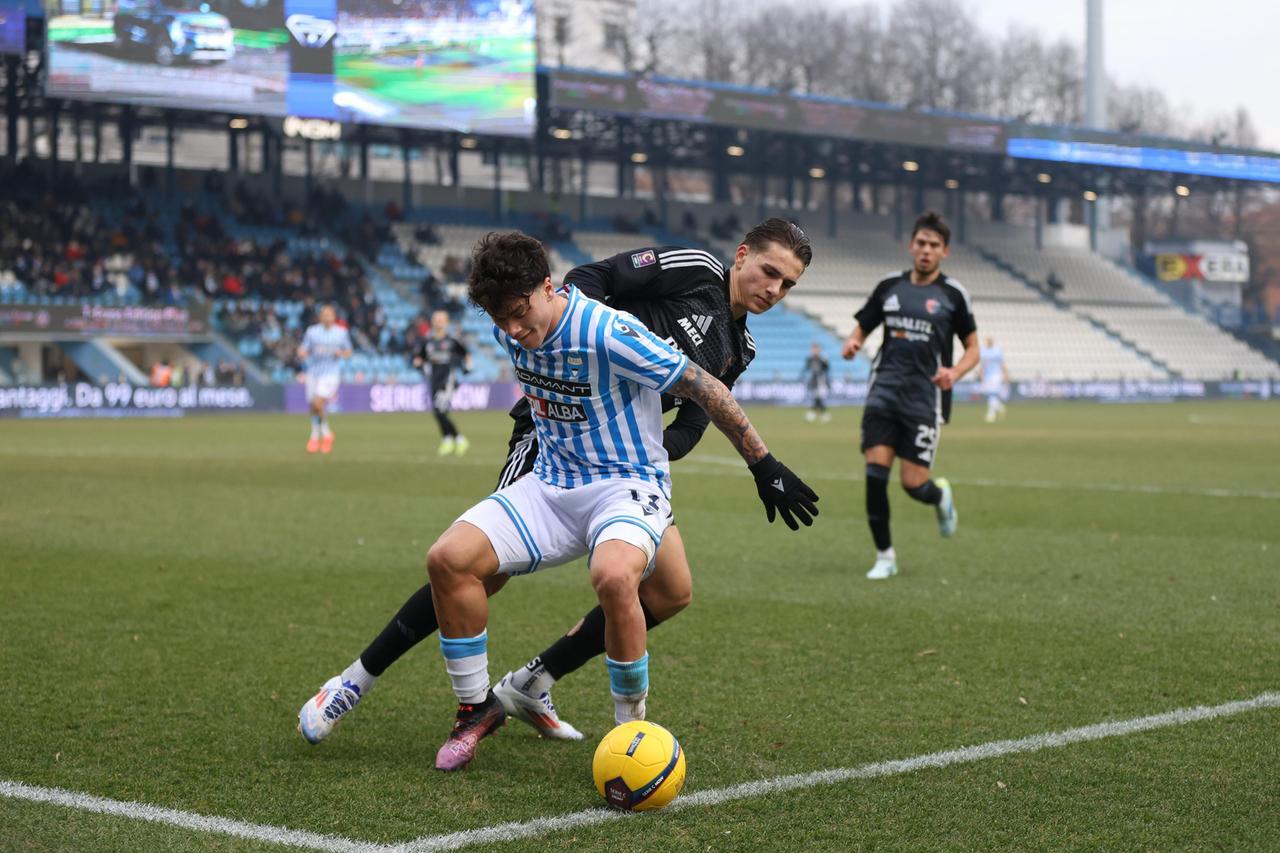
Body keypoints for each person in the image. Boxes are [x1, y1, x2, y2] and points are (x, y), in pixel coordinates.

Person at [299, 231, 818, 771]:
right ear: (742, 256)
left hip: (622, 461)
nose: (774, 289)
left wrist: (629, 443)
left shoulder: (739, 349)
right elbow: (596, 276)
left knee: (670, 590)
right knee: (473, 571)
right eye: (770, 272)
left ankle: (532, 683)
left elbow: (693, 420)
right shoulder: (692, 272)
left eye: (788, 284)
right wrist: (572, 350)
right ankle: (356, 682)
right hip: (548, 435)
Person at [841, 211, 979, 580]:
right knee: (875, 476)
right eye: (921, 243)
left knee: (913, 484)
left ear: (945, 252)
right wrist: (854, 342)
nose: (926, 250)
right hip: (883, 392)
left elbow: (973, 349)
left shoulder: (953, 295)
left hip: (924, 399)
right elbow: (862, 327)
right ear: (911, 245)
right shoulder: (889, 287)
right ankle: (885, 556)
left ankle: (939, 497)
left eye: (934, 245)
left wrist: (955, 373)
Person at [413, 310, 472, 456]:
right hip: (434, 381)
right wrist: (417, 363)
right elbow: (419, 358)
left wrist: (468, 366)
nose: (438, 322)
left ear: (446, 322)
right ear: (432, 322)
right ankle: (449, 439)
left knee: (439, 410)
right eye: (436, 319)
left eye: (441, 320)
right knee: (440, 412)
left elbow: (466, 353)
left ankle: (457, 439)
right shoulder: (427, 341)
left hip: (448, 381)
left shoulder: (452, 341)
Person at [298, 304, 353, 454]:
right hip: (313, 372)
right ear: (320, 317)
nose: (327, 317)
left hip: (331, 374)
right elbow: (303, 349)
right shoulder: (312, 332)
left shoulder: (341, 333)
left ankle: (314, 437)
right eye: (324, 315)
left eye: (329, 315)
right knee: (313, 406)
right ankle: (326, 434)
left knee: (318, 403)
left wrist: (340, 353)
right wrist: (302, 353)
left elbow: (349, 351)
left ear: (334, 317)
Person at [978, 336, 1010, 423]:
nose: (988, 342)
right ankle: (1000, 408)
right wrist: (981, 374)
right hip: (987, 376)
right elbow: (982, 364)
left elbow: (1002, 364)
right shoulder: (983, 352)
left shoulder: (997, 352)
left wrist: (1006, 374)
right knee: (990, 394)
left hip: (996, 375)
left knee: (992, 394)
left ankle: (991, 415)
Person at [802, 343, 831, 423]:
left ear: (819, 350)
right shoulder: (810, 359)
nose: (814, 351)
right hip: (813, 381)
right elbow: (807, 368)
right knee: (816, 398)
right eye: (813, 349)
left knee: (818, 397)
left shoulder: (822, 359)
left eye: (816, 349)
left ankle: (814, 413)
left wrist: (826, 361)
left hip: (820, 380)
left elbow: (826, 369)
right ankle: (822, 414)